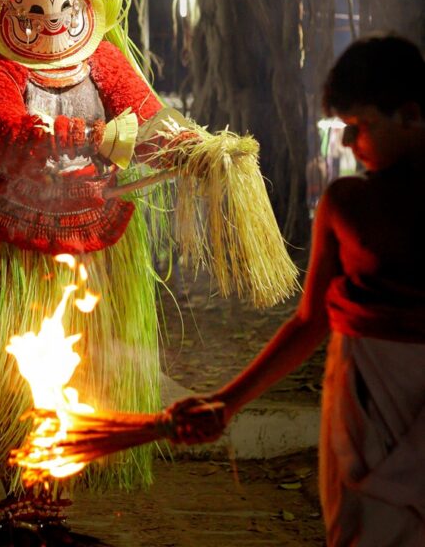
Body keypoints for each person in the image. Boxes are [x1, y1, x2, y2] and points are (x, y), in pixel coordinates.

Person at [0, 0, 297, 497]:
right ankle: (23, 475)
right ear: (11, 7)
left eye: (65, 6)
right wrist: (91, 136)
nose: (54, 22)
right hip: (19, 245)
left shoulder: (103, 59)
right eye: (37, 9)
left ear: (84, 3)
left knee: (81, 372)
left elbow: (144, 121)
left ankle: (57, 479)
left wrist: (190, 149)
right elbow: (0, 136)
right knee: (22, 373)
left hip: (94, 238)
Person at [171, 34, 425, 545]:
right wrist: (225, 401)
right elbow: (310, 322)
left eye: (361, 127)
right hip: (362, 406)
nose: (350, 145)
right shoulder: (345, 202)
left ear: (412, 114)